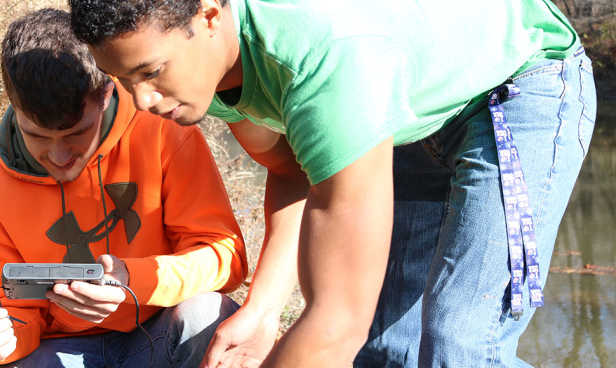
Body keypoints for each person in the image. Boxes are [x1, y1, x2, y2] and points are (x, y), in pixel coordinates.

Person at [68, 0, 597, 367]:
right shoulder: (214, 68)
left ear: (208, 15)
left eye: (152, 71)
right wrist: (264, 308)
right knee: (387, 348)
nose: (141, 102)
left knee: (461, 344)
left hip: (518, 83)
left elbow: (336, 320)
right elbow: (291, 167)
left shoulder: (322, 58)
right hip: (403, 105)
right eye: (124, 79)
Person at [0, 8, 248, 367]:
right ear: (14, 109)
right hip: (62, 352)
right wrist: (0, 336)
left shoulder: (163, 133)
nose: (59, 155)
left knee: (207, 313)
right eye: (37, 137)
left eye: (77, 133)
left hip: (155, 335)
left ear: (106, 93)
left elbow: (225, 258)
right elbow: (13, 310)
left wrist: (134, 281)